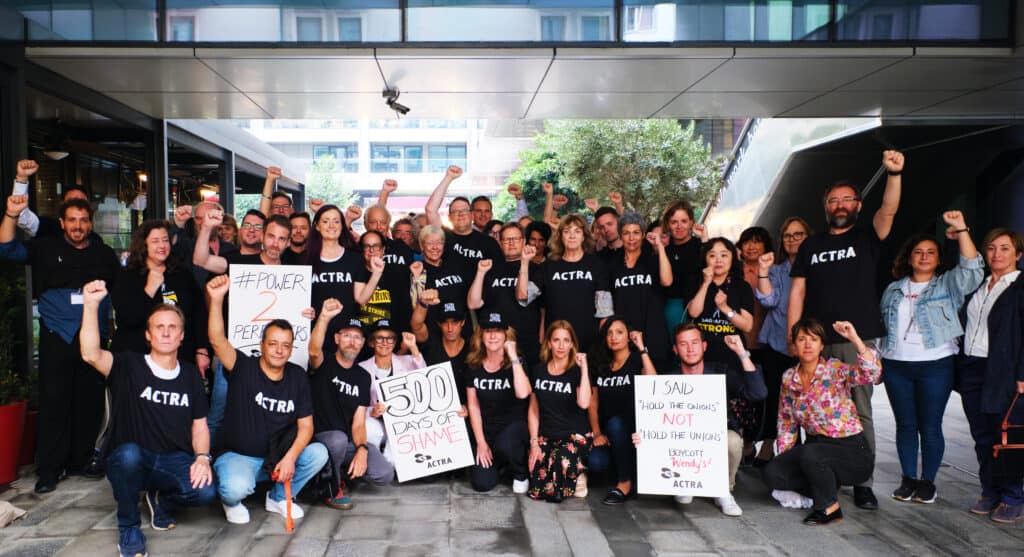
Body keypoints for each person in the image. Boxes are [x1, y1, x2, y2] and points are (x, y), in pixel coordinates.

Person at [787, 149, 905, 510]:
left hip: (856, 342)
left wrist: (894, 175)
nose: (839, 205)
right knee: (812, 411)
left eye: (846, 199)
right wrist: (794, 337)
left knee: (859, 411)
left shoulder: (868, 237)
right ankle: (821, 476)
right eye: (833, 200)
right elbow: (799, 291)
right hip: (816, 344)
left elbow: (888, 211)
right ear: (826, 206)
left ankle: (863, 481)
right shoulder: (812, 244)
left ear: (857, 205)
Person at [1, 162, 121, 493]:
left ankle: (80, 460)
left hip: (93, 341)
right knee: (54, 403)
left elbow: (117, 293)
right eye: (72, 221)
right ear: (63, 223)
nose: (78, 226)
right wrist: (11, 215)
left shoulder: (104, 254)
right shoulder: (45, 247)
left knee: (89, 402)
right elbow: (7, 248)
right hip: (56, 336)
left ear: (90, 222)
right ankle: (49, 470)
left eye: (83, 220)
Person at [79, 280, 215, 557]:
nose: (166, 333)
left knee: (206, 492)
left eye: (172, 327)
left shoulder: (190, 375)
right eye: (159, 327)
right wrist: (91, 305)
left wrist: (202, 457)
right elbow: (90, 354)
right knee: (128, 455)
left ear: (182, 336)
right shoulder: (129, 365)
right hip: (130, 459)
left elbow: (199, 424)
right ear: (149, 336)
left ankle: (160, 500)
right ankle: (129, 527)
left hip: (171, 459)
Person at [205, 275, 328, 525]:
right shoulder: (243, 366)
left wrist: (291, 457)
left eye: (285, 345)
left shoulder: (297, 376)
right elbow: (217, 341)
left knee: (318, 453)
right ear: (262, 345)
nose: (279, 350)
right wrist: (217, 300)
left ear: (292, 348)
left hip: (278, 457)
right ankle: (231, 502)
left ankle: (279, 496)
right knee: (235, 489)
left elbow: (306, 426)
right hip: (240, 456)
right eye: (273, 343)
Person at [879, 211, 982, 504]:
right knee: (906, 424)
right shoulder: (893, 289)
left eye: (931, 253)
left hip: (936, 364)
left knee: (930, 425)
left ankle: (928, 482)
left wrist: (961, 230)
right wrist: (876, 358)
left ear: (938, 259)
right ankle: (908, 478)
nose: (924, 257)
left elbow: (973, 270)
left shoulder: (948, 285)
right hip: (897, 364)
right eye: (918, 252)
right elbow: (882, 327)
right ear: (909, 258)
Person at [636, 323, 765, 516]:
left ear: (704, 346)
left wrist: (741, 352)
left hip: (717, 436)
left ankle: (723, 490)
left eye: (695, 343)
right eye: (683, 344)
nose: (690, 349)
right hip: (681, 442)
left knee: (732, 441)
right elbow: (655, 422)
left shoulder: (721, 373)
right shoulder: (669, 381)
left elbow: (758, 393)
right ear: (675, 350)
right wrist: (644, 436)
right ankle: (683, 482)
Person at [763, 318, 880, 525]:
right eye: (801, 339)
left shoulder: (835, 369)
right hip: (816, 450)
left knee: (811, 453)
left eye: (813, 339)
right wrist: (785, 461)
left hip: (852, 450)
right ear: (794, 345)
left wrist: (855, 339)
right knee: (773, 472)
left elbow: (872, 373)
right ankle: (822, 484)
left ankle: (828, 507)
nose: (807, 344)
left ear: (821, 345)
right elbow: (787, 422)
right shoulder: (789, 378)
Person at [958, 227, 1024, 523]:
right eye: (992, 248)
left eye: (1005, 248)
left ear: (1018, 254)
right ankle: (989, 490)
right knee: (981, 435)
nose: (997, 254)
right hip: (973, 369)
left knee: (1005, 435)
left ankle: (1013, 495)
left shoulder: (1020, 287)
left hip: (1005, 372)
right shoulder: (979, 287)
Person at [309, 299, 394, 510]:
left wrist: (362, 449)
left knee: (385, 474)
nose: (352, 341)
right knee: (337, 439)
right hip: (319, 439)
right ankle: (330, 487)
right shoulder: (324, 362)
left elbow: (358, 422)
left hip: (345, 442)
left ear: (364, 343)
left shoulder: (363, 377)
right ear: (337, 338)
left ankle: (347, 474)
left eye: (357, 337)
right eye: (347, 335)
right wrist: (324, 317)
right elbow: (313, 350)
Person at [112, 220, 209, 375]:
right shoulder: (127, 276)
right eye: (155, 241)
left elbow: (199, 313)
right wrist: (149, 289)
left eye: (165, 240)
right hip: (137, 359)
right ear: (144, 245)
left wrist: (201, 349)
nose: (162, 246)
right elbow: (127, 317)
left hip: (180, 359)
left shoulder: (182, 274)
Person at [752, 217, 811, 466]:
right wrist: (763, 271)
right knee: (776, 399)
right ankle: (773, 447)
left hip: (812, 348)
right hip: (778, 344)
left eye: (798, 235)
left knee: (809, 402)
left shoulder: (817, 268)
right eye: (788, 235)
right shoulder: (777, 271)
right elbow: (768, 300)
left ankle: (809, 456)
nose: (792, 240)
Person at [519, 214, 614, 357]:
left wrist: (600, 345)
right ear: (560, 236)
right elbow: (523, 296)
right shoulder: (548, 266)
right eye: (567, 231)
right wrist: (525, 262)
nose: (572, 236)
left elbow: (605, 312)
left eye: (577, 231)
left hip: (589, 344)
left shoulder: (596, 265)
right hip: (558, 345)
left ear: (584, 236)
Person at [587, 318, 655, 505]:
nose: (614, 337)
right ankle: (625, 469)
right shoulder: (601, 364)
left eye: (619, 332)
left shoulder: (636, 360)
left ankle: (624, 483)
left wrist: (641, 347)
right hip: (609, 433)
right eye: (609, 333)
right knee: (596, 462)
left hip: (635, 431)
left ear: (628, 337)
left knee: (617, 423)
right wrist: (597, 433)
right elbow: (593, 402)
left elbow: (653, 384)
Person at [465, 311, 532, 493]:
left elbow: (523, 393)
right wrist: (480, 441)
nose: (493, 336)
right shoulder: (474, 364)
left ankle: (520, 472)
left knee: (506, 444)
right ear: (481, 335)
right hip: (487, 431)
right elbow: (473, 405)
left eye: (498, 331)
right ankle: (502, 466)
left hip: (514, 428)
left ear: (506, 335)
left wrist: (513, 356)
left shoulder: (517, 362)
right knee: (482, 483)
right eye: (488, 331)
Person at [527, 321, 592, 502]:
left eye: (566, 340)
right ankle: (573, 473)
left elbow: (585, 403)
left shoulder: (577, 371)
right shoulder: (538, 370)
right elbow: (534, 408)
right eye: (556, 340)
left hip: (574, 435)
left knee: (560, 459)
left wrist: (584, 368)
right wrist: (534, 443)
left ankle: (576, 474)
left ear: (572, 344)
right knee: (536, 490)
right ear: (548, 343)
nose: (561, 346)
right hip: (548, 435)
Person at [468, 223, 542, 366]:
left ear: (524, 241)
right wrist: (481, 272)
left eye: (515, 239)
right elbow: (473, 303)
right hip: (494, 345)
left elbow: (523, 295)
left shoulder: (536, 269)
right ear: (500, 243)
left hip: (526, 343)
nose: (511, 243)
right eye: (507, 240)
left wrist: (525, 262)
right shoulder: (491, 269)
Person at [306, 204, 384, 337]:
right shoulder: (305, 259)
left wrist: (377, 274)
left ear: (342, 226)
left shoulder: (354, 259)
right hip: (314, 331)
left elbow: (361, 299)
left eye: (336, 221)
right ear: (317, 226)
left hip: (347, 334)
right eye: (325, 221)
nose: (331, 225)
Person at [608, 213, 672, 368]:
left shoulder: (653, 259)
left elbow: (667, 281)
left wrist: (660, 247)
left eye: (636, 233)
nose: (631, 238)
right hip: (624, 337)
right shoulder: (612, 265)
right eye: (626, 233)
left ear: (643, 235)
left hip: (653, 333)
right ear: (620, 236)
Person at [359, 320, 427, 463]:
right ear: (371, 342)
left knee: (394, 464)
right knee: (369, 429)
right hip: (376, 421)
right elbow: (357, 405)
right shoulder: (361, 368)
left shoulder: (407, 361)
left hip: (403, 422)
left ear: (395, 342)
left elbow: (425, 379)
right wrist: (372, 411)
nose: (385, 342)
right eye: (380, 338)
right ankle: (373, 462)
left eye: (389, 338)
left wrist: (413, 347)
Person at [425, 166, 501, 281]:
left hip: (479, 297)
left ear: (471, 215)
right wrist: (448, 178)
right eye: (455, 212)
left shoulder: (488, 243)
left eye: (464, 210)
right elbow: (431, 210)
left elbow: (497, 275)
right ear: (449, 217)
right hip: (449, 296)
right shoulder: (444, 237)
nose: (460, 214)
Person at [688, 237, 754, 367]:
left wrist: (725, 308)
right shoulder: (696, 282)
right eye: (712, 255)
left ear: (732, 258)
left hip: (731, 356)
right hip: (701, 357)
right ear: (705, 259)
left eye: (724, 255)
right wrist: (706, 283)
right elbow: (694, 313)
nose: (718, 260)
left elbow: (747, 326)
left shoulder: (742, 286)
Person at [410, 225, 471, 339]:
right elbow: (415, 306)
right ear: (422, 246)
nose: (435, 247)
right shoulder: (418, 270)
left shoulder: (455, 265)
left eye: (439, 242)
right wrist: (417, 279)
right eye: (429, 243)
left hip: (463, 331)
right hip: (435, 334)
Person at [356, 230, 412, 339]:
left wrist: (403, 345)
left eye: (376, 246)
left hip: (391, 341)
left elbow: (404, 311)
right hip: (361, 342)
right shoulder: (356, 274)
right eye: (367, 246)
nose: (371, 250)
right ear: (362, 250)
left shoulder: (396, 274)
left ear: (383, 250)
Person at [661, 201, 707, 332]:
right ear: (668, 225)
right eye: (674, 222)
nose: (679, 226)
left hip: (702, 305)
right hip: (674, 309)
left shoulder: (701, 245)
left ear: (692, 222)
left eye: (684, 221)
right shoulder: (665, 252)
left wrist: (705, 240)